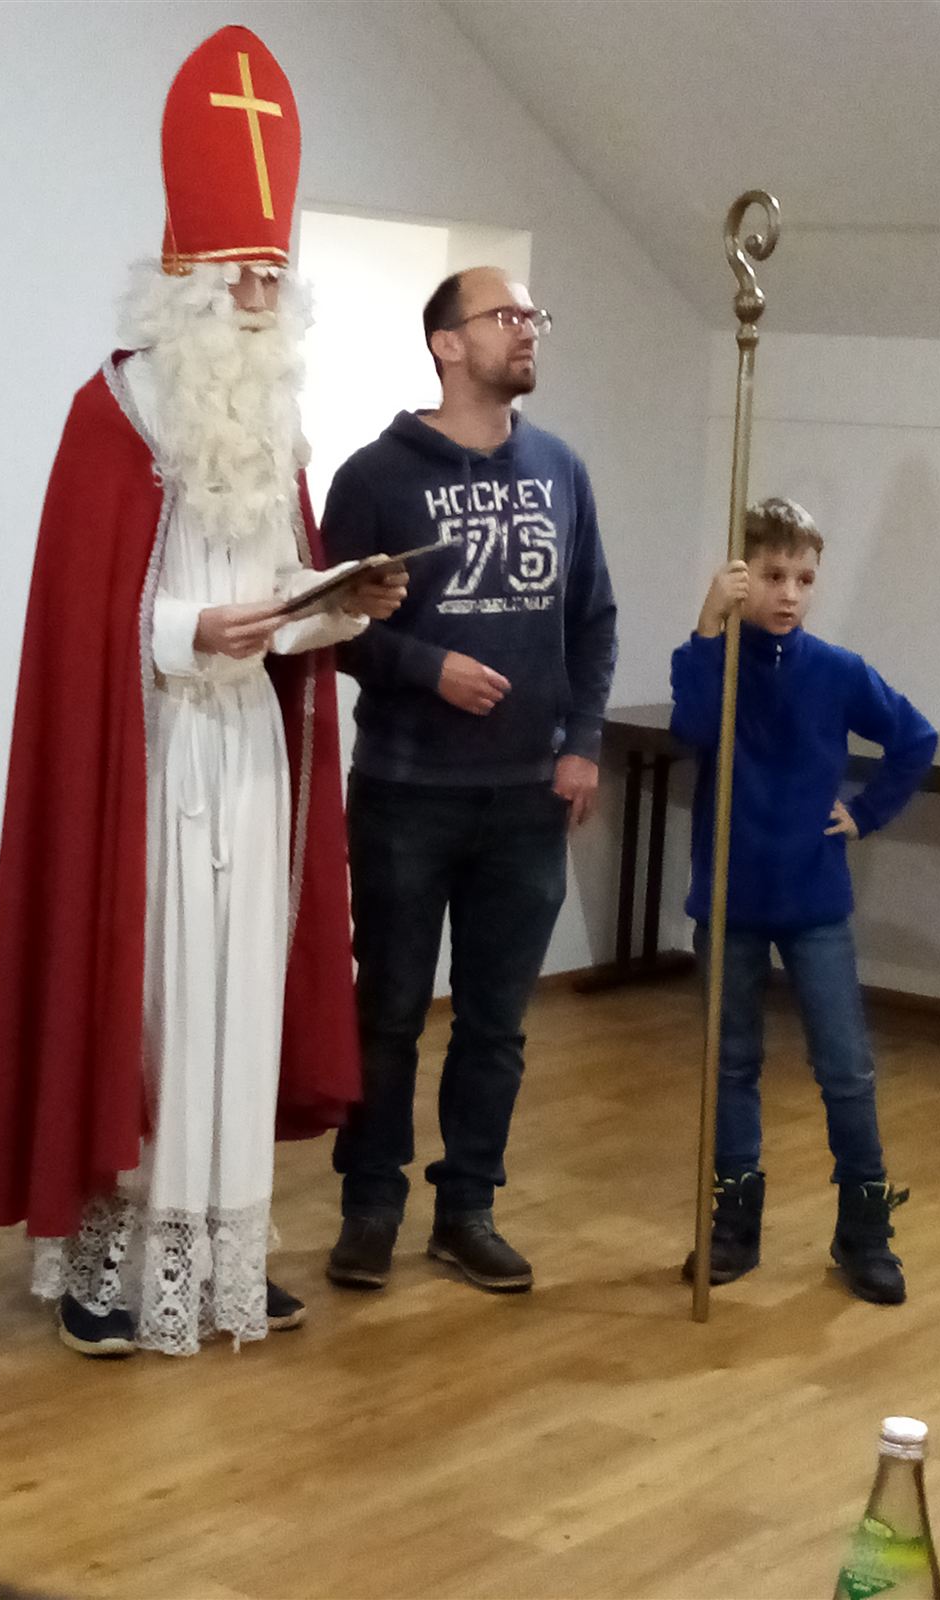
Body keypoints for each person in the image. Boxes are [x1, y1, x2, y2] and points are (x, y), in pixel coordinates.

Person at [0, 26, 405, 1355]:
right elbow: (79, 620)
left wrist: (336, 606)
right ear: (188, 282)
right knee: (146, 1005)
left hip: (248, 754)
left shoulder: (275, 424)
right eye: (241, 272)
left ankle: (218, 1260)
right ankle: (108, 1266)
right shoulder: (111, 415)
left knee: (239, 1000)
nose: (264, 292)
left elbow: (279, 586)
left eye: (275, 271)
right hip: (145, 761)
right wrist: (182, 628)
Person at [320, 267, 618, 1294]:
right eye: (505, 316)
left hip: (527, 796)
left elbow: (593, 617)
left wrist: (582, 743)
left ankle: (468, 1209)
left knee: (496, 1023)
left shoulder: (561, 470)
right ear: (447, 344)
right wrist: (424, 665)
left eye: (534, 315)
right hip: (406, 792)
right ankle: (370, 1207)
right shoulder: (374, 477)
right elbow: (330, 622)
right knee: (390, 1010)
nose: (527, 330)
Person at [672, 497, 936, 1304]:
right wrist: (707, 628)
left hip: (813, 897)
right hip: (730, 896)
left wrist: (866, 812)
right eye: (773, 575)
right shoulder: (715, 661)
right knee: (731, 1064)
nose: (788, 593)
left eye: (804, 578)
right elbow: (695, 728)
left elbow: (914, 738)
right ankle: (734, 1224)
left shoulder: (836, 670)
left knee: (846, 1068)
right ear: (741, 575)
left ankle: (864, 1229)